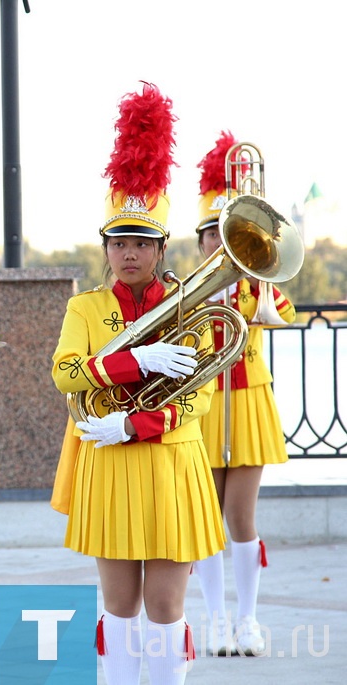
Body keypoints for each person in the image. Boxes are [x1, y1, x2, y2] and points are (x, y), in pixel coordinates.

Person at [50, 83, 225, 685]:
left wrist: (135, 421)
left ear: (159, 247)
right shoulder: (87, 308)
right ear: (106, 247)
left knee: (167, 607)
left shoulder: (185, 304)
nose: (129, 253)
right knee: (119, 606)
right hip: (110, 463)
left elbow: (200, 391)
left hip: (172, 461)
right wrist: (133, 360)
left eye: (141, 243)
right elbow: (65, 372)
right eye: (119, 241)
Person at [189, 132, 297, 657]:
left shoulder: (257, 281)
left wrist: (253, 282)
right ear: (202, 240)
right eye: (212, 233)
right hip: (204, 404)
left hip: (249, 399)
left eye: (226, 232)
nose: (219, 242)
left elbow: (287, 314)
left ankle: (247, 620)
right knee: (207, 516)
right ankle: (213, 620)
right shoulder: (188, 284)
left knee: (241, 517)